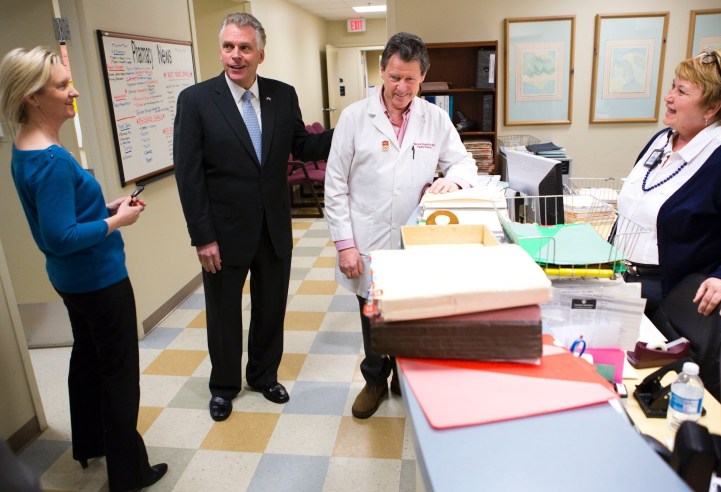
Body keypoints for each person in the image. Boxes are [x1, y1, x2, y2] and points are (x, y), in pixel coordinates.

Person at [0, 47, 167, 491]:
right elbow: (60, 236)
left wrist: (104, 207)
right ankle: (128, 474)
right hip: (98, 280)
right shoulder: (52, 160)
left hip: (72, 281)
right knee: (118, 374)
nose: (73, 91)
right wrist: (117, 221)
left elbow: (63, 217)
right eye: (61, 85)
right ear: (33, 97)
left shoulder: (28, 149)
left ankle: (90, 442)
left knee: (89, 358)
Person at [173, 12, 333, 422]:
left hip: (274, 226)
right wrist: (202, 236)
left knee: (271, 307)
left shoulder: (282, 95)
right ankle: (224, 386)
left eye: (245, 47)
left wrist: (351, 127)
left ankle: (264, 375)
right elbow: (189, 176)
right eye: (228, 46)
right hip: (223, 234)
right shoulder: (195, 101)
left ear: (260, 53)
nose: (235, 56)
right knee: (224, 313)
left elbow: (303, 146)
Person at [324, 32, 478, 419]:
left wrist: (453, 179)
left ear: (422, 78)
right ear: (381, 72)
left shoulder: (435, 118)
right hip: (367, 238)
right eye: (394, 77)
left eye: (410, 79)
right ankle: (375, 379)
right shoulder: (354, 118)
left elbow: (464, 162)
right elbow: (335, 184)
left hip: (414, 241)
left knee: (411, 314)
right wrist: (344, 245)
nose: (401, 87)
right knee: (373, 316)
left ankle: (403, 379)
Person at [617, 50, 721, 319]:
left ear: (712, 107)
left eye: (682, 91)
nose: (669, 96)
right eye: (672, 86)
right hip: (624, 278)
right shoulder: (663, 139)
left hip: (672, 295)